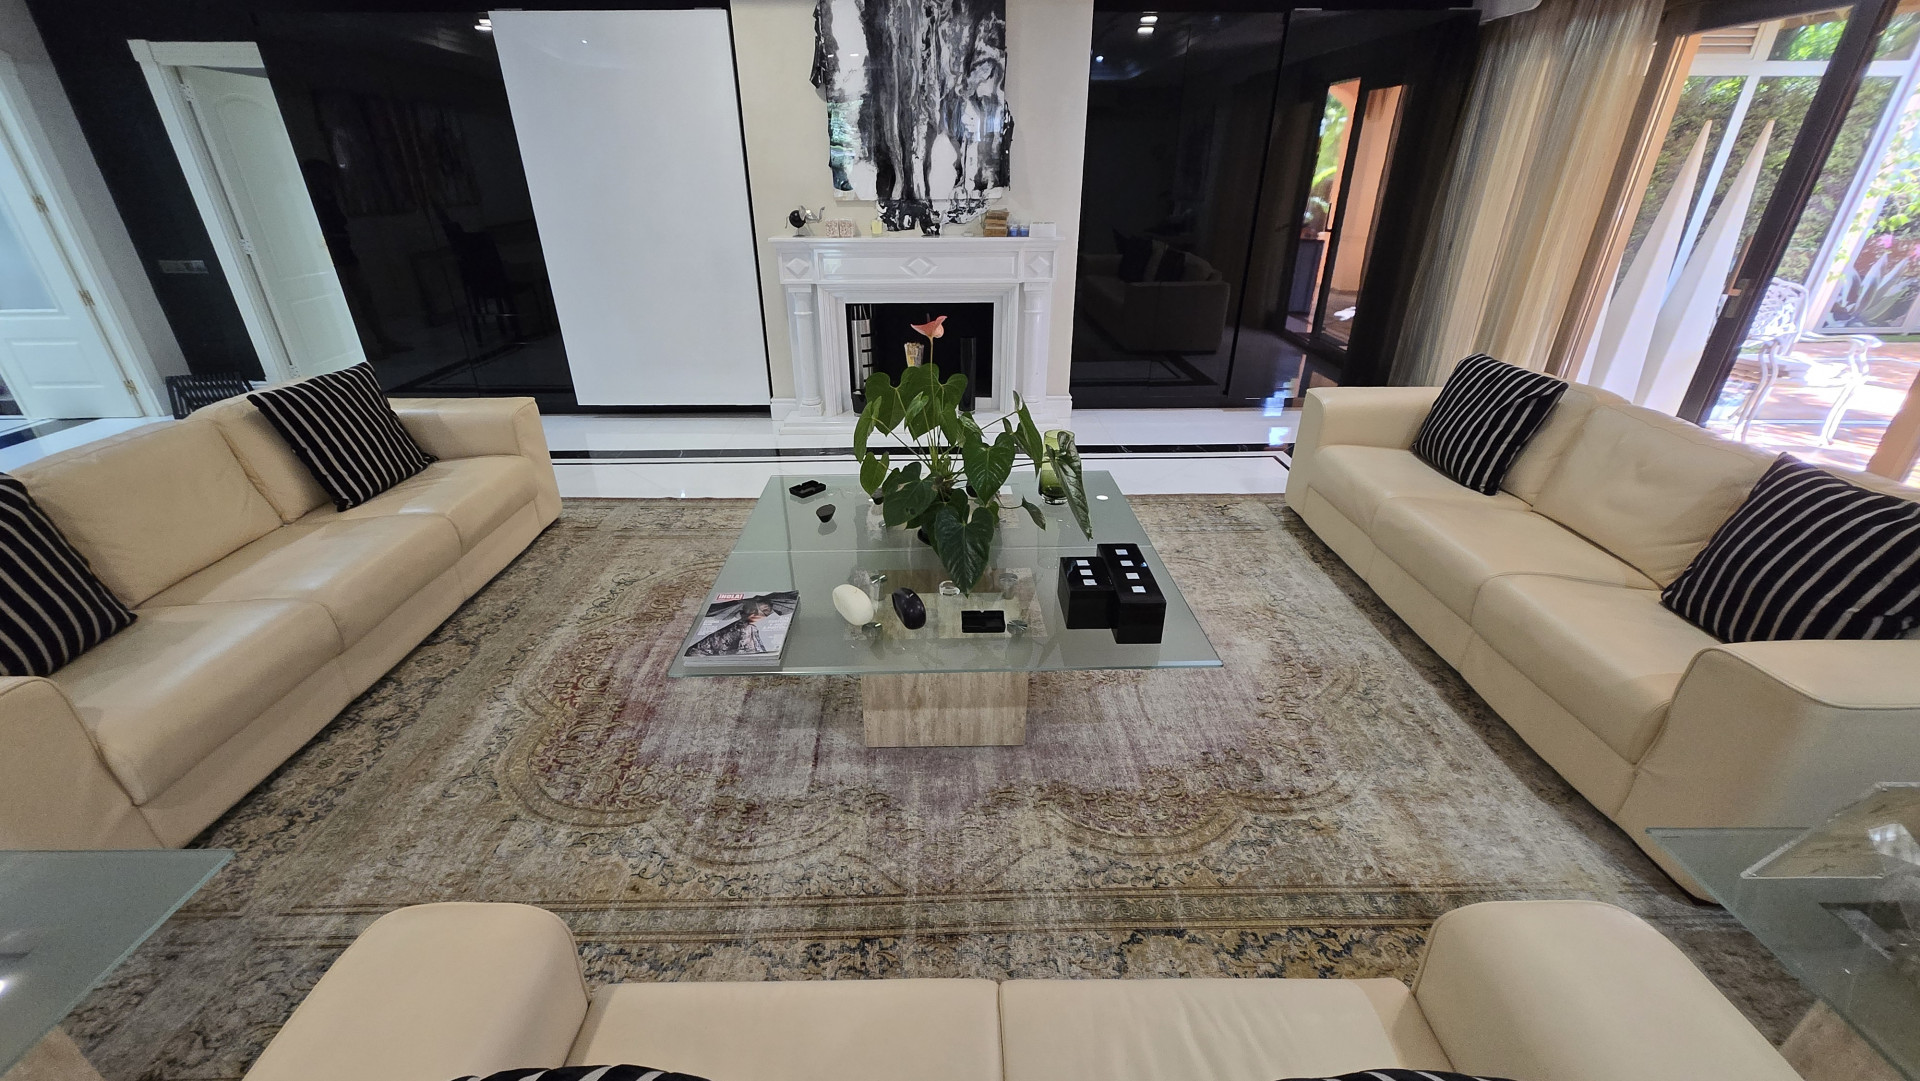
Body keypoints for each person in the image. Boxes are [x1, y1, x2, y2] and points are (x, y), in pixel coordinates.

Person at [686, 597, 777, 656]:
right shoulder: (748, 628)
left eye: (766, 612)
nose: (764, 615)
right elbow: (751, 653)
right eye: (764, 610)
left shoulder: (743, 626)